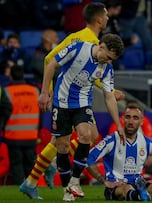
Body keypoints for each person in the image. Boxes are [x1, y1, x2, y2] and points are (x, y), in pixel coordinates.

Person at [20, 2, 125, 200]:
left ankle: (40, 178)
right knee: (69, 142)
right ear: (99, 19)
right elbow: (50, 61)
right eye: (106, 15)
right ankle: (44, 175)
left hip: (80, 100)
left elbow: (88, 72)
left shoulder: (80, 36)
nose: (109, 18)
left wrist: (108, 88)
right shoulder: (86, 41)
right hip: (62, 98)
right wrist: (48, 92)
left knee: (83, 137)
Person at [38, 33, 124, 201]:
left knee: (86, 135)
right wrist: (43, 93)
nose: (107, 61)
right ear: (101, 46)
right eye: (107, 57)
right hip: (61, 103)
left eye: (111, 59)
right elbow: (51, 65)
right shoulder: (78, 48)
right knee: (62, 147)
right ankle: (67, 190)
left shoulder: (106, 68)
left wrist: (118, 124)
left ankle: (75, 180)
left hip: (82, 104)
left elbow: (109, 97)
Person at [3, 65, 40, 185]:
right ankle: (32, 189)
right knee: (30, 165)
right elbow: (41, 114)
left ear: (11, 76)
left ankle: (19, 191)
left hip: (13, 136)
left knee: (16, 165)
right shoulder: (35, 91)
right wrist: (37, 131)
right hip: (31, 136)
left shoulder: (7, 91)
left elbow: (4, 113)